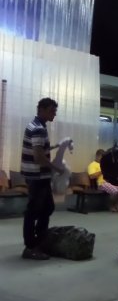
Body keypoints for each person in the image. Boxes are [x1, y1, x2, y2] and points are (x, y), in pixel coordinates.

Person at [20, 97, 65, 260]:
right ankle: (31, 246)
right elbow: (39, 157)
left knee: (46, 208)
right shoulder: (38, 128)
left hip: (36, 175)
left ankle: (38, 241)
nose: (54, 114)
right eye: (52, 111)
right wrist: (57, 168)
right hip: (37, 176)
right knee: (34, 211)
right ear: (43, 110)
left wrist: (55, 146)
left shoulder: (37, 126)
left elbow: (39, 149)